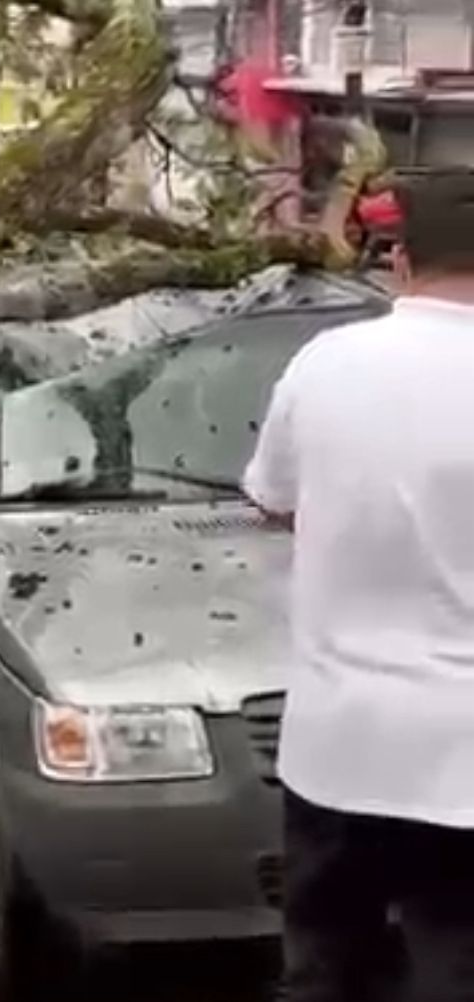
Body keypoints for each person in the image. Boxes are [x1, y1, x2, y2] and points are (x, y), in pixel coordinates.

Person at [243, 169, 474, 1002]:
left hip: (339, 746)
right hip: (463, 763)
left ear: (402, 260)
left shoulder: (326, 363)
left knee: (323, 974)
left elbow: (270, 499)